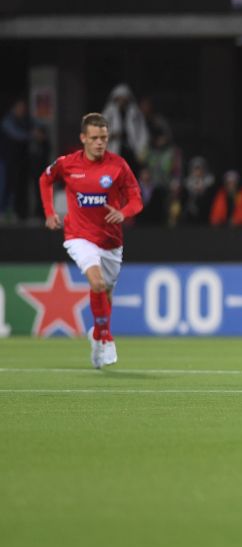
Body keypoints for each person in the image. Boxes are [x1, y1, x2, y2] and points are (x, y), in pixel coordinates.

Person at [38, 113, 143, 369]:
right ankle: (106, 337)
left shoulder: (118, 166)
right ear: (83, 138)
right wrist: (50, 213)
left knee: (106, 292)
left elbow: (136, 200)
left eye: (104, 138)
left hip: (111, 241)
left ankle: (97, 335)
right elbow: (45, 179)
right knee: (96, 283)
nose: (99, 143)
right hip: (79, 236)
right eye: (94, 138)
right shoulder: (68, 164)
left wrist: (123, 213)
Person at [1, 100, 33, 219]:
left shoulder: (23, 121)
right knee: (4, 186)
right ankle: (2, 211)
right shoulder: (8, 121)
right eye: (20, 107)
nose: (22, 110)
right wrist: (32, 135)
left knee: (13, 186)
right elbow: (16, 134)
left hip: (15, 161)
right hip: (4, 160)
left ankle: (10, 211)